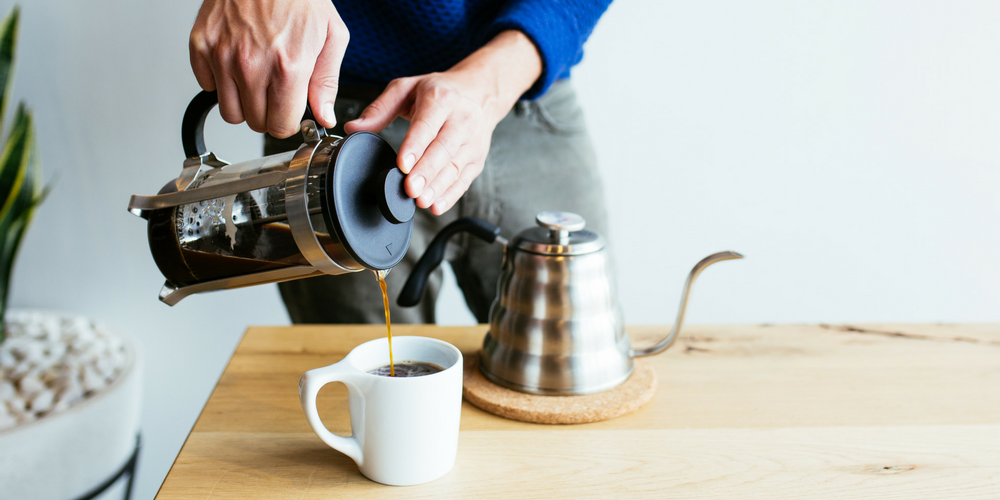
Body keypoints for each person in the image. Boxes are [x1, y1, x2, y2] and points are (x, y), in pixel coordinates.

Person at [189, 0, 613, 324]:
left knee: (579, 382)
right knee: (364, 406)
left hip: (524, 90)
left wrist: (490, 86)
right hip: (336, 133)